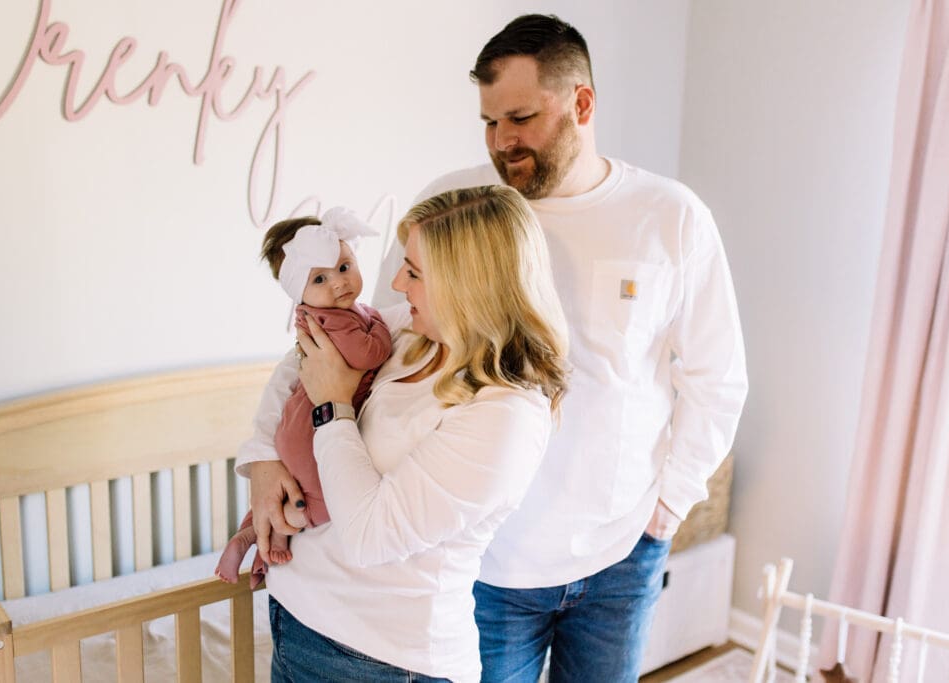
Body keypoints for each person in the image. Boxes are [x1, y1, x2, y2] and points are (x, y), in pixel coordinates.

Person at [371, 14, 749, 683]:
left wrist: (668, 508)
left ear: (582, 102)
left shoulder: (670, 217)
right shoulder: (453, 210)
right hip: (486, 560)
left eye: (520, 118)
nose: (502, 143)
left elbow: (718, 377)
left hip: (618, 555)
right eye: (489, 123)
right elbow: (387, 344)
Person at [236, 185, 570, 682]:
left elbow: (370, 537)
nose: (394, 281)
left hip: (380, 659)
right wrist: (263, 459)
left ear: (467, 285)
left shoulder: (505, 415)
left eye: (413, 272)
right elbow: (302, 356)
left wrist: (334, 405)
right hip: (297, 617)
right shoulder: (411, 332)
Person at [215, 206, 392, 587]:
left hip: (301, 425)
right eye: (320, 278)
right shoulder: (331, 320)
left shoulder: (333, 315)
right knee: (322, 504)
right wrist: (381, 325)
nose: (339, 283)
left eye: (345, 267)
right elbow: (369, 354)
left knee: (293, 490)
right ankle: (268, 533)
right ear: (300, 291)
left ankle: (254, 535)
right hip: (310, 430)